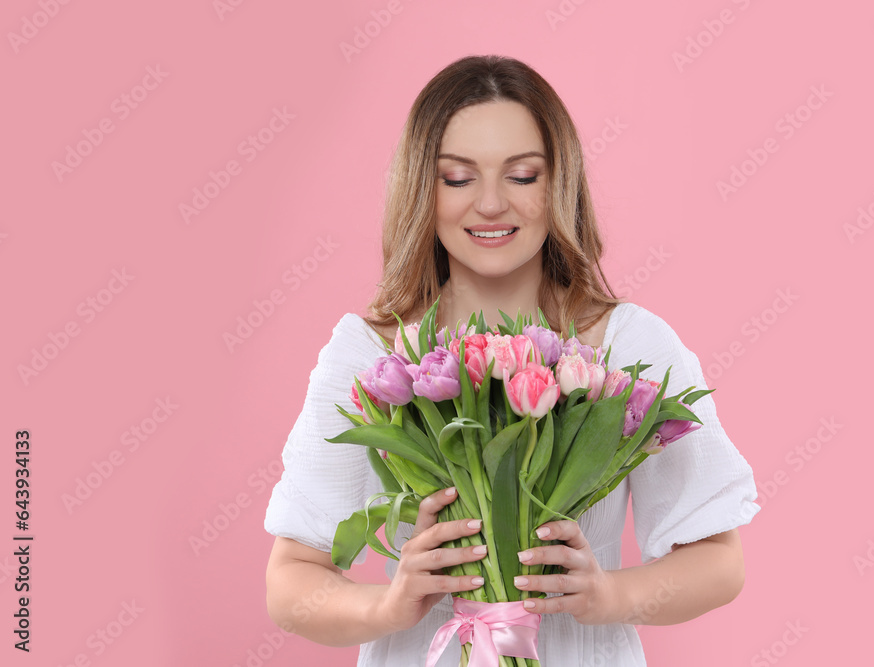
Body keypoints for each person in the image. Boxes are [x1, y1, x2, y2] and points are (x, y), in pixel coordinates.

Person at [263, 54, 760, 666]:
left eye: (522, 176)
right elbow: (291, 580)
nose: (491, 204)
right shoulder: (373, 355)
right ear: (423, 187)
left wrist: (605, 594)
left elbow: (718, 561)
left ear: (559, 184)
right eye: (457, 178)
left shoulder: (629, 348)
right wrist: (390, 607)